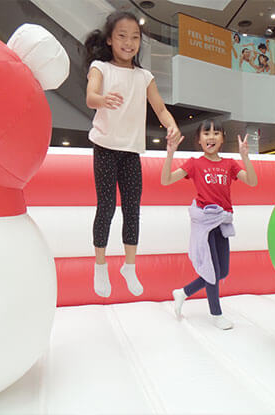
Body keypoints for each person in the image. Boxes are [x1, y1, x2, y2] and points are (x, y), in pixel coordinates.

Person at [84, 11, 181, 298]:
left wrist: (172, 124)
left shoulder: (144, 76)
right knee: (106, 207)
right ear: (111, 40)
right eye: (122, 36)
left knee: (132, 210)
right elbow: (90, 96)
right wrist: (103, 99)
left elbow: (160, 108)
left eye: (135, 37)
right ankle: (100, 265)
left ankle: (129, 265)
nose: (129, 42)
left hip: (130, 152)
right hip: (104, 147)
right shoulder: (100, 67)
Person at [161, 121, 258, 329]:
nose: (211, 137)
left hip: (222, 224)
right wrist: (170, 153)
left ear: (223, 138)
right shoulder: (194, 164)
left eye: (216, 133)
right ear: (199, 139)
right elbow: (166, 180)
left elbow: (252, 181)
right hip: (205, 225)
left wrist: (245, 157)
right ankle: (216, 314)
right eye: (206, 133)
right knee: (212, 272)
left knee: (222, 272)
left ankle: (183, 292)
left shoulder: (229, 165)